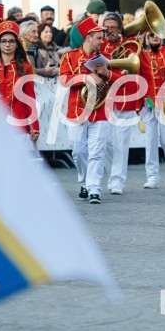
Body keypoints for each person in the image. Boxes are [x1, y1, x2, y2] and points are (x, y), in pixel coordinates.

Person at [59, 16, 122, 204]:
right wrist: (85, 78)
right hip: (77, 109)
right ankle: (84, 181)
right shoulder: (69, 57)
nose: (103, 41)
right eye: (99, 38)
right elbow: (63, 80)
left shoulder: (106, 59)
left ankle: (94, 188)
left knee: (97, 150)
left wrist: (108, 73)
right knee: (78, 150)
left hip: (101, 110)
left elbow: (120, 81)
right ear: (88, 38)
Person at [100, 12, 155, 195]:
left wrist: (148, 97)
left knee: (120, 144)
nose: (109, 31)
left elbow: (146, 72)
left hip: (127, 98)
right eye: (106, 27)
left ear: (120, 29)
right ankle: (111, 175)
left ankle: (117, 181)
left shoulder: (132, 46)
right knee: (105, 141)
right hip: (105, 100)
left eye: (113, 27)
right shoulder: (99, 46)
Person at [0, 21, 39, 145]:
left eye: (11, 41)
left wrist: (34, 126)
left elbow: (30, 98)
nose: (7, 44)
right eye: (4, 41)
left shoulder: (26, 68)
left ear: (17, 44)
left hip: (18, 124)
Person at [141, 31, 165, 188]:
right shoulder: (142, 54)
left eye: (157, 34)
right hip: (149, 103)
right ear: (147, 37)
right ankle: (152, 176)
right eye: (150, 35)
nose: (154, 37)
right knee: (150, 140)